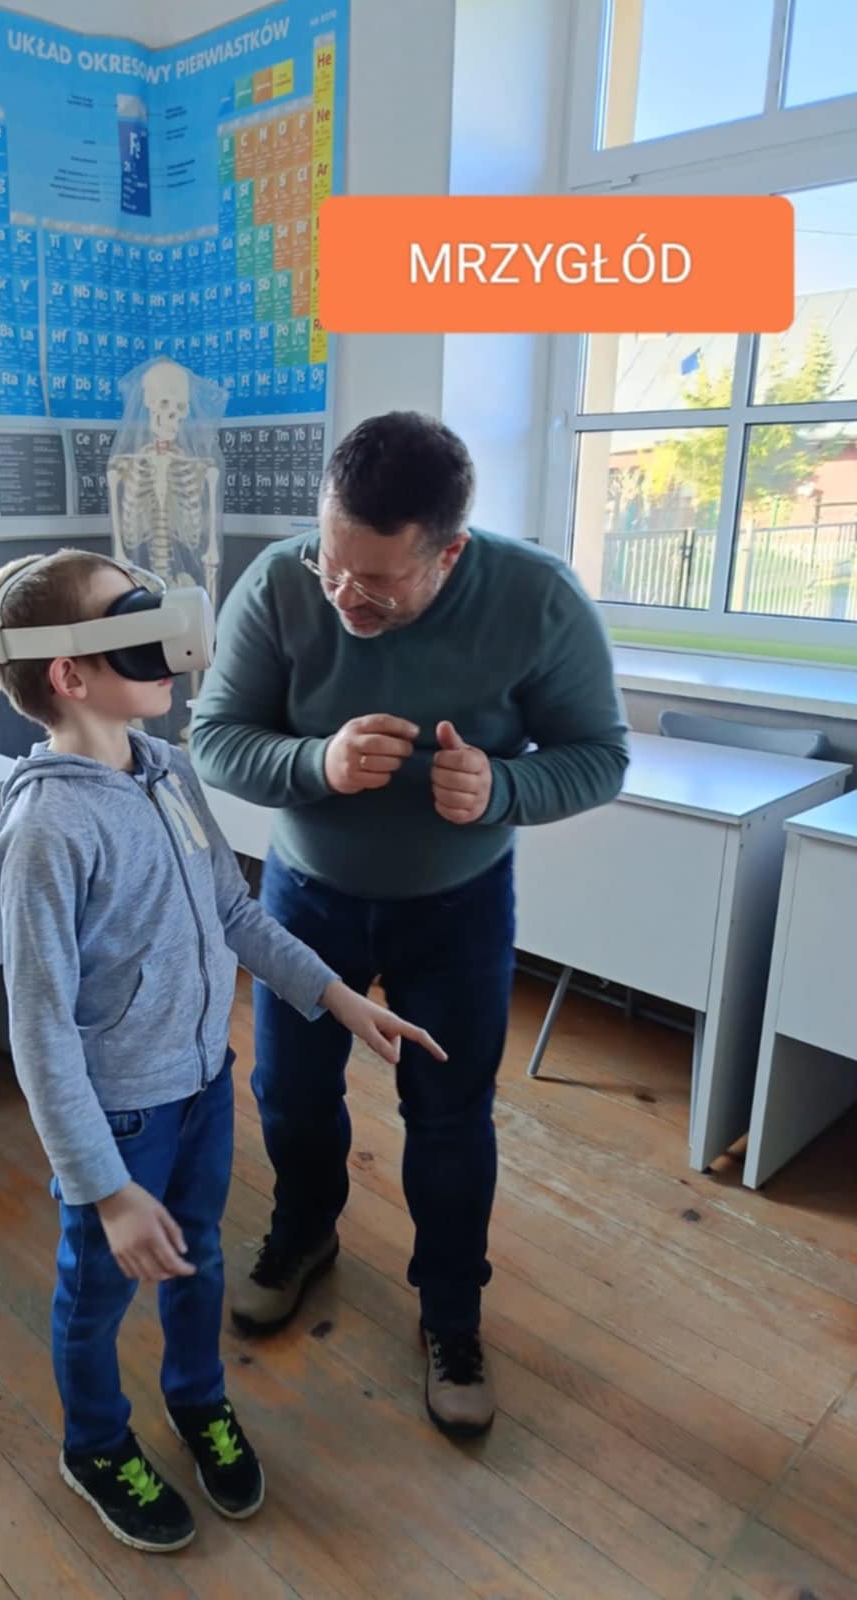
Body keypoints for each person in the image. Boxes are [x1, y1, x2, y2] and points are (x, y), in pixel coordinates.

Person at [0, 549, 444, 1555]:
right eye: (132, 619)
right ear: (71, 672)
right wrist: (105, 1189)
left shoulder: (169, 769)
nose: (167, 636)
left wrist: (336, 997)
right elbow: (39, 1028)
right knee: (98, 1288)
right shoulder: (47, 829)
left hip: (201, 1088)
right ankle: (96, 1444)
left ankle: (196, 1397)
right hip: (120, 1118)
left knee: (200, 1258)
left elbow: (233, 910)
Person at [191, 412, 629, 1438]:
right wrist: (315, 762)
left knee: (448, 1113)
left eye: (379, 581)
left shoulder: (537, 598)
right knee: (291, 1091)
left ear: (450, 553)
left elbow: (600, 756)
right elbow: (214, 738)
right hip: (308, 896)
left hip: (457, 907)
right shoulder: (283, 582)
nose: (346, 595)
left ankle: (451, 1310)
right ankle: (305, 1232)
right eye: (333, 562)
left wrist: (506, 787)